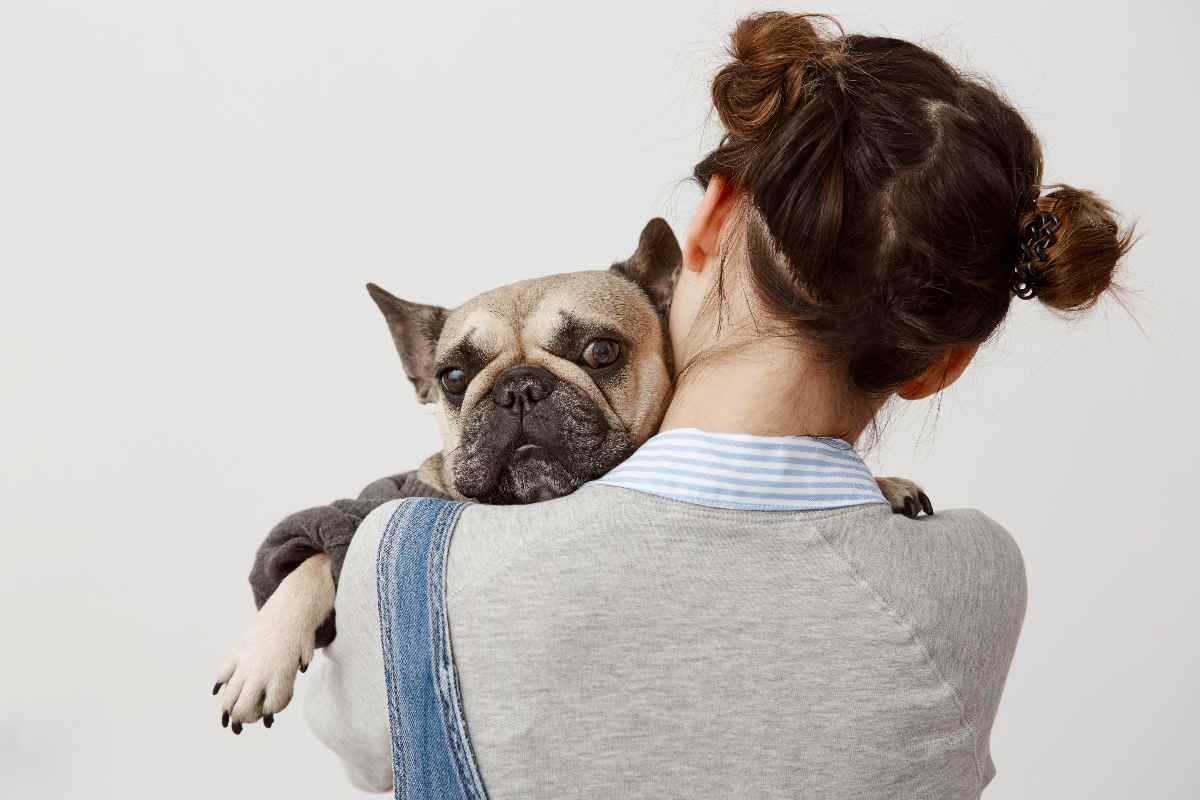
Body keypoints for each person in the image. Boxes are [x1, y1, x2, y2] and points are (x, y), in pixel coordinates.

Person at [304, 11, 1133, 798]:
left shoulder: (409, 562)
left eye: (596, 354)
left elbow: (358, 741)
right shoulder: (977, 576)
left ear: (708, 219)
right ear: (942, 365)